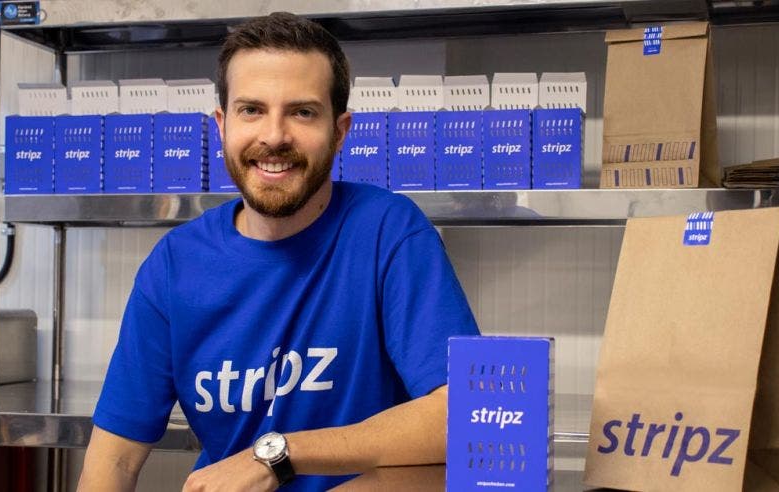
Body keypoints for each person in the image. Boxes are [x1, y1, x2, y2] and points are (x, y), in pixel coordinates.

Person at [78, 12, 479, 492]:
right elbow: (115, 460)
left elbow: (465, 415)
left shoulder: (388, 233)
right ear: (222, 125)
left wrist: (277, 455)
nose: (274, 136)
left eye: (303, 112)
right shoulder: (174, 265)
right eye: (251, 110)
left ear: (340, 130)